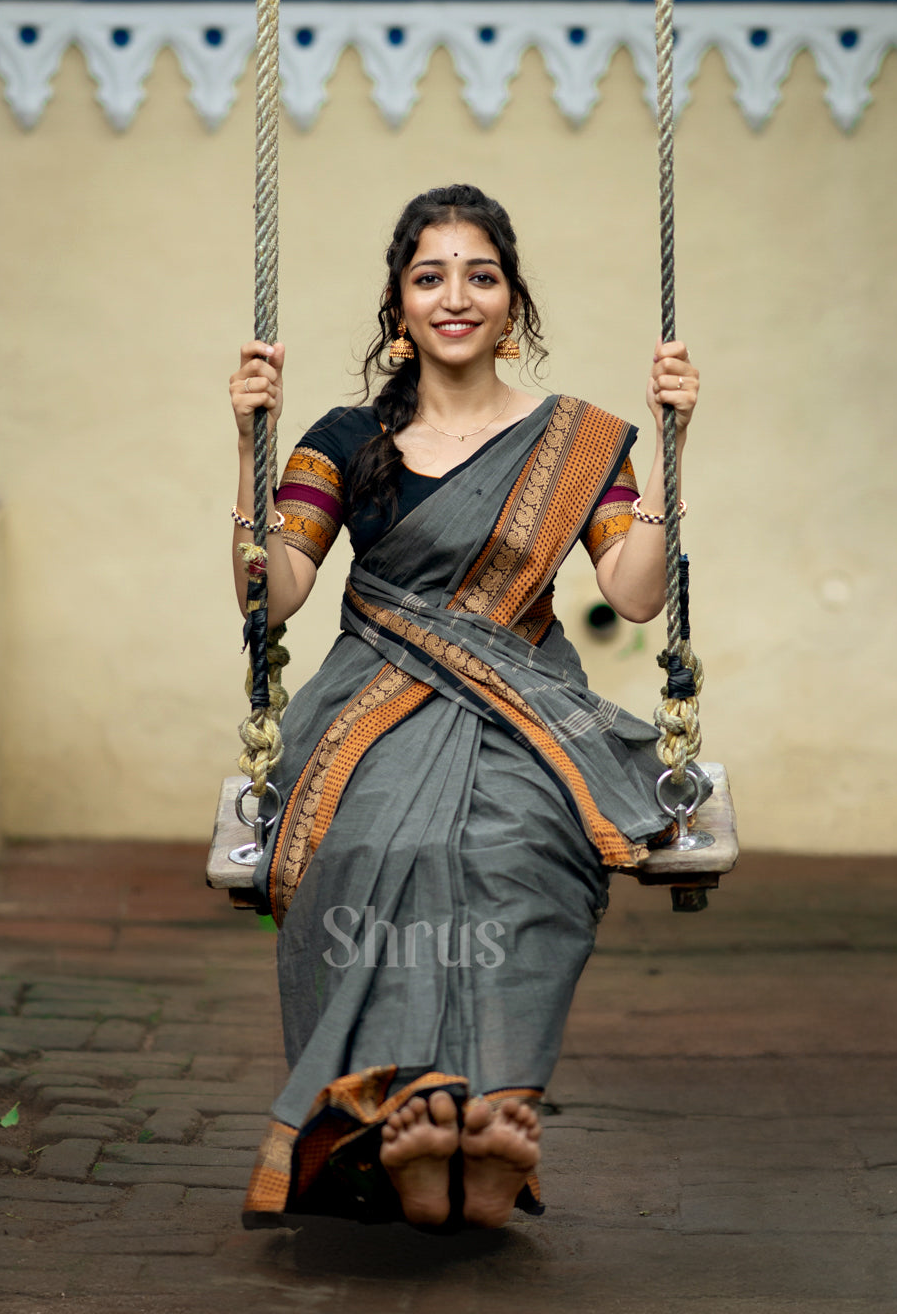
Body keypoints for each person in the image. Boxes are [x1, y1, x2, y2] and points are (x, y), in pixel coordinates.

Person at [228, 183, 699, 1231]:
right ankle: (412, 1111)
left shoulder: (574, 440)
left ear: (511, 303)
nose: (456, 296)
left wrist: (670, 448)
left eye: (480, 276)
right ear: (399, 306)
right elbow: (277, 593)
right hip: (371, 710)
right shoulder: (346, 439)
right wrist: (248, 450)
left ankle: (493, 1109)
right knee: (365, 849)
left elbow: (633, 592)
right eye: (429, 277)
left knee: (524, 845)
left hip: (524, 711)